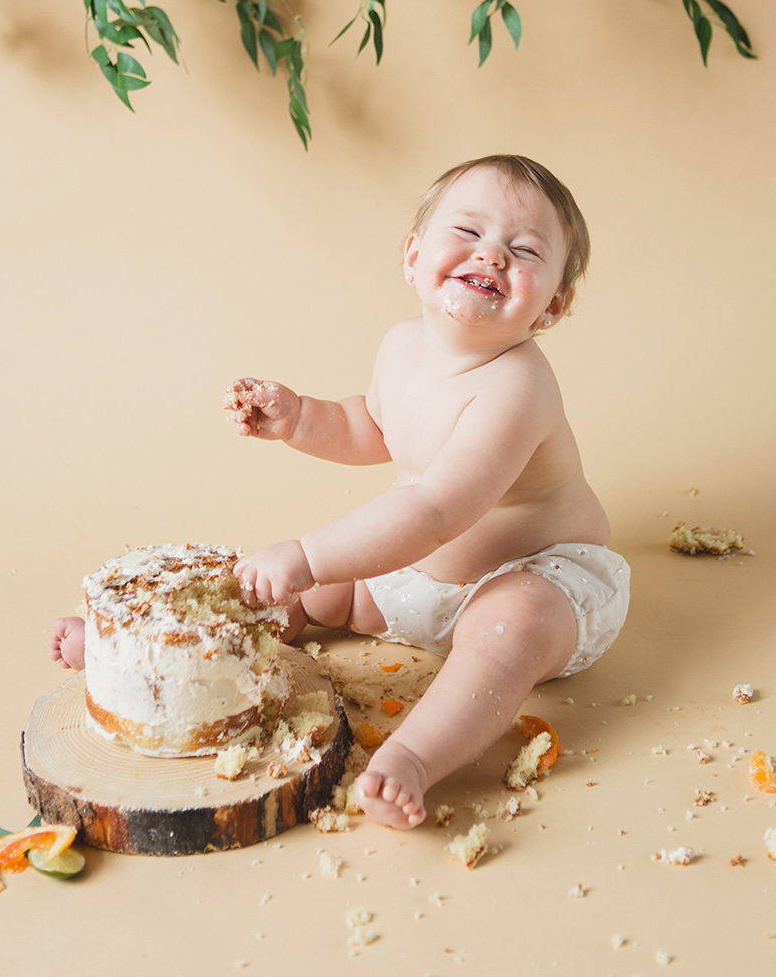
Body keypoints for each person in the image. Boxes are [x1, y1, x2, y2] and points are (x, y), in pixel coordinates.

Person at [222, 155, 629, 829]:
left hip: (538, 577)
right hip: (418, 573)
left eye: (523, 250)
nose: (491, 254)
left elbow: (435, 508)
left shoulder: (516, 386)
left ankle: (412, 757)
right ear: (413, 257)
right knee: (298, 592)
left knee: (506, 628)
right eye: (467, 231)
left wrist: (309, 551)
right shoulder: (401, 344)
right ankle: (163, 653)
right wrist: (301, 419)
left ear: (552, 304)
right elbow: (372, 426)